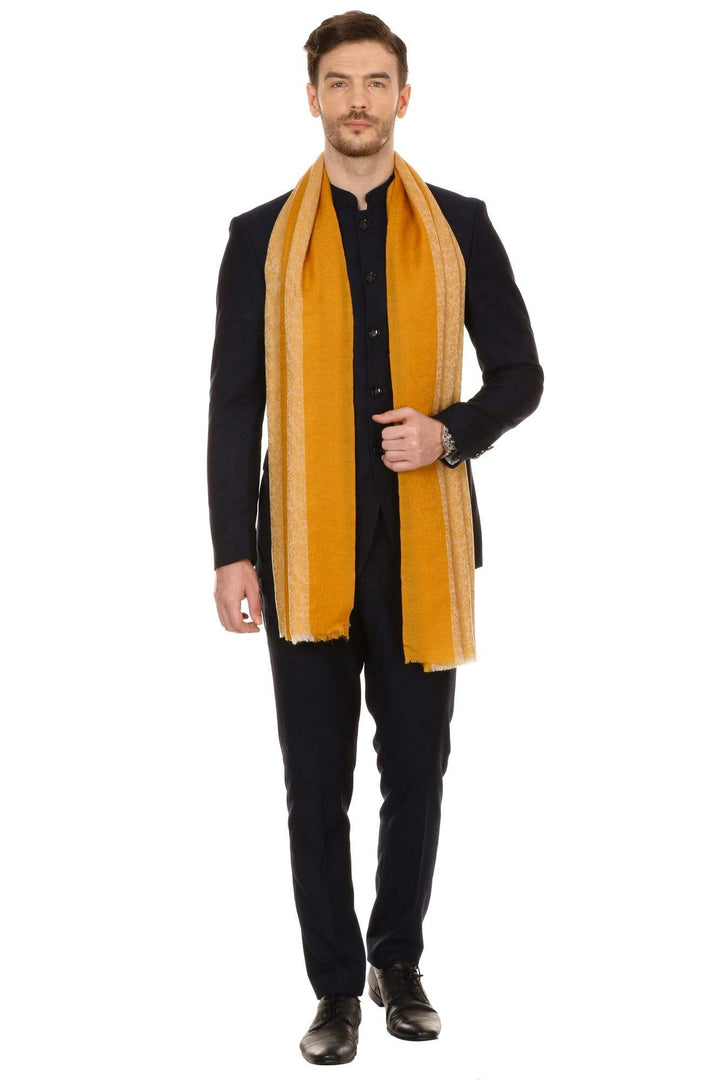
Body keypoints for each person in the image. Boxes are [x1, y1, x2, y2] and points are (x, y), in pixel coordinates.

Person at [207, 10, 543, 1066]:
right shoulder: (260, 237)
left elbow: (522, 375)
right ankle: (335, 989)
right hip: (302, 554)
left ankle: (400, 962)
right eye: (340, 83)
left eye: (376, 82)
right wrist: (231, 550)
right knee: (316, 784)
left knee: (417, 771)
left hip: (423, 548)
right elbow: (235, 406)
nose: (358, 101)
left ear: (406, 95)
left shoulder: (460, 225)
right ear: (311, 97)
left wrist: (451, 434)